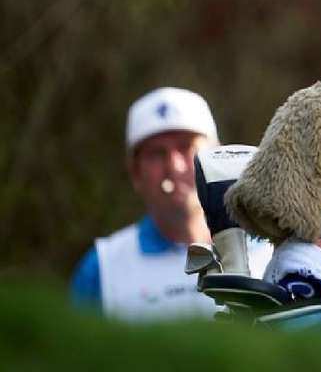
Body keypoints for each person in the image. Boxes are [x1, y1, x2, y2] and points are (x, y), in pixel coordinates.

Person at [70, 87, 270, 322]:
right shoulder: (102, 268)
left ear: (217, 158)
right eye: (156, 154)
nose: (174, 166)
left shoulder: (274, 251)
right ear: (135, 173)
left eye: (187, 147)